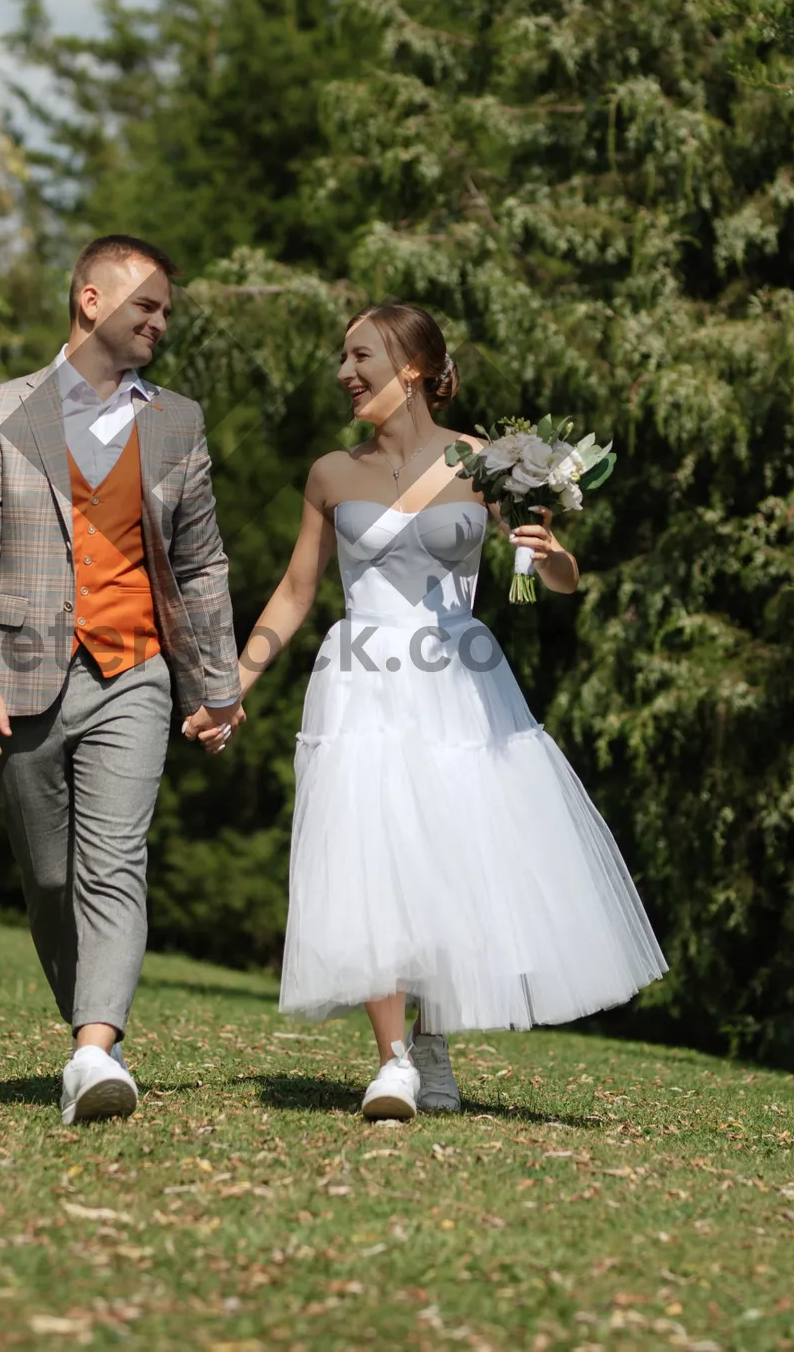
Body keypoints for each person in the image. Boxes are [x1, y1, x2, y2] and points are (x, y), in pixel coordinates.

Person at [186, 303, 665, 1120]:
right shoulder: (331, 473)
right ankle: (394, 1060)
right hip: (363, 674)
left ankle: (434, 1042)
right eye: (343, 356)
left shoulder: (488, 463)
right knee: (375, 855)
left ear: (410, 366)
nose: (345, 370)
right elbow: (297, 591)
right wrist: (235, 683)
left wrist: (555, 560)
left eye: (359, 355)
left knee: (447, 859)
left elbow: (548, 578)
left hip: (460, 680)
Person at [0, 235, 243, 1123]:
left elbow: (202, 566)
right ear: (89, 300)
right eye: (145, 306)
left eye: (164, 313)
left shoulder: (177, 421)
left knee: (116, 860)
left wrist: (217, 687)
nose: (159, 323)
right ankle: (90, 1021)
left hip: (137, 670)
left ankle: (94, 1053)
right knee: (48, 878)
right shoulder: (2, 409)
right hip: (25, 671)